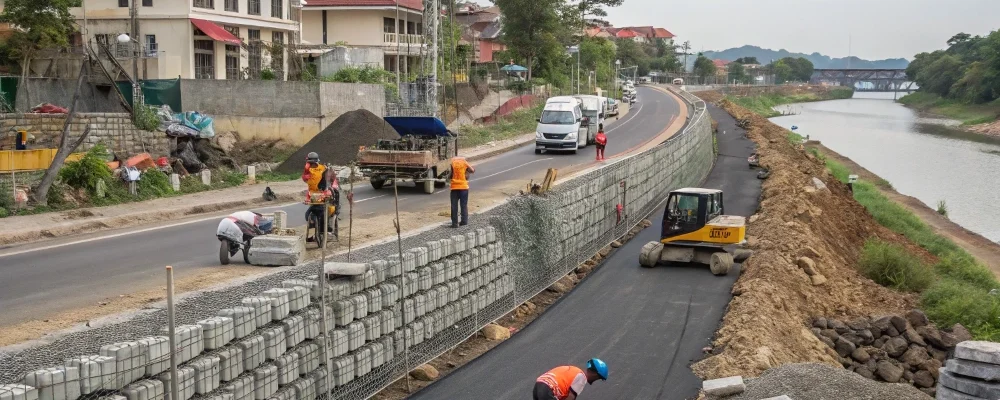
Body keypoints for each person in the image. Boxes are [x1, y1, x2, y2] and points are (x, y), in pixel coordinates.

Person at [301, 152, 340, 234]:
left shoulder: (324, 169)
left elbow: (332, 181)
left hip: (324, 195)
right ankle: (311, 236)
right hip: (313, 196)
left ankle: (325, 229)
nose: (311, 165)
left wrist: (331, 189)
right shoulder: (308, 171)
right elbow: (305, 178)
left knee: (324, 213)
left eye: (312, 163)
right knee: (308, 216)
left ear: (317, 161)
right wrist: (306, 169)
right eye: (309, 163)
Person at [534, 359, 608, 400]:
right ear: (596, 374)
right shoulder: (582, 377)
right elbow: (571, 397)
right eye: (599, 378)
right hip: (548, 390)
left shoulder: (574, 370)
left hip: (538, 386)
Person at [449, 156, 475, 228]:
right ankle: (464, 221)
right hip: (463, 187)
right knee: (463, 205)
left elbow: (450, 175)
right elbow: (472, 170)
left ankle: (455, 224)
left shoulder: (452, 163)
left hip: (454, 187)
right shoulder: (464, 162)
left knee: (454, 206)